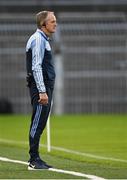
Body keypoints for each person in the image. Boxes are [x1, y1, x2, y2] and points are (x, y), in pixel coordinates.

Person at [26, 11, 57, 170]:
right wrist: (42, 91)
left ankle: (36, 157)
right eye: (52, 21)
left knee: (41, 122)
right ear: (43, 24)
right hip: (41, 87)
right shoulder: (38, 39)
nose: (55, 24)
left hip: (45, 86)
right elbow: (36, 66)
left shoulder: (44, 39)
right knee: (37, 122)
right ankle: (33, 159)